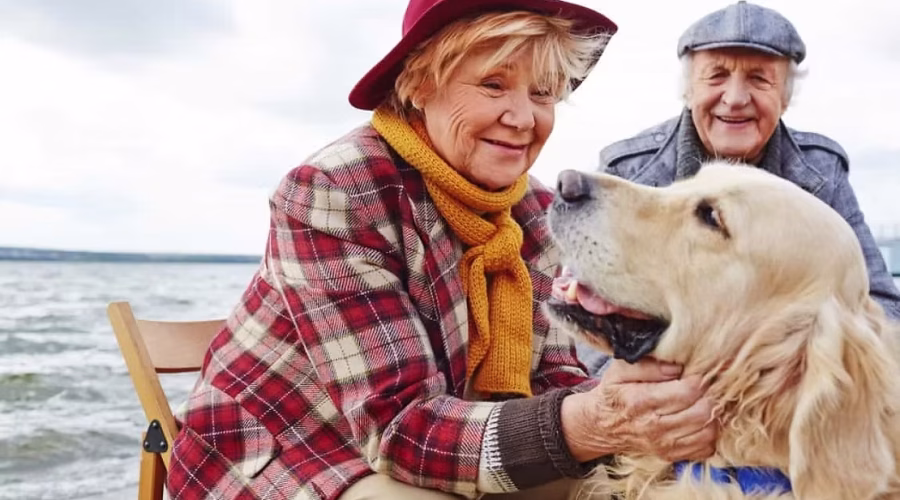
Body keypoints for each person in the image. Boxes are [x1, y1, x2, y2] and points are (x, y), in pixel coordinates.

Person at [166, 1, 718, 499]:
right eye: (494, 85)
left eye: (543, 93)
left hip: (444, 443)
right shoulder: (334, 191)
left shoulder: (534, 210)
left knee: (634, 487)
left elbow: (553, 380)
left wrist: (636, 406)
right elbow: (400, 430)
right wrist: (595, 421)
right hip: (291, 449)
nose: (524, 118)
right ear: (419, 84)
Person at [578, 0, 900, 376]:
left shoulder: (822, 173)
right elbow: (584, 328)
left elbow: (881, 309)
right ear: (688, 90)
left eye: (759, 79)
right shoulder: (628, 171)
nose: (735, 98)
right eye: (716, 76)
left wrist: (768, 363)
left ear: (785, 98)